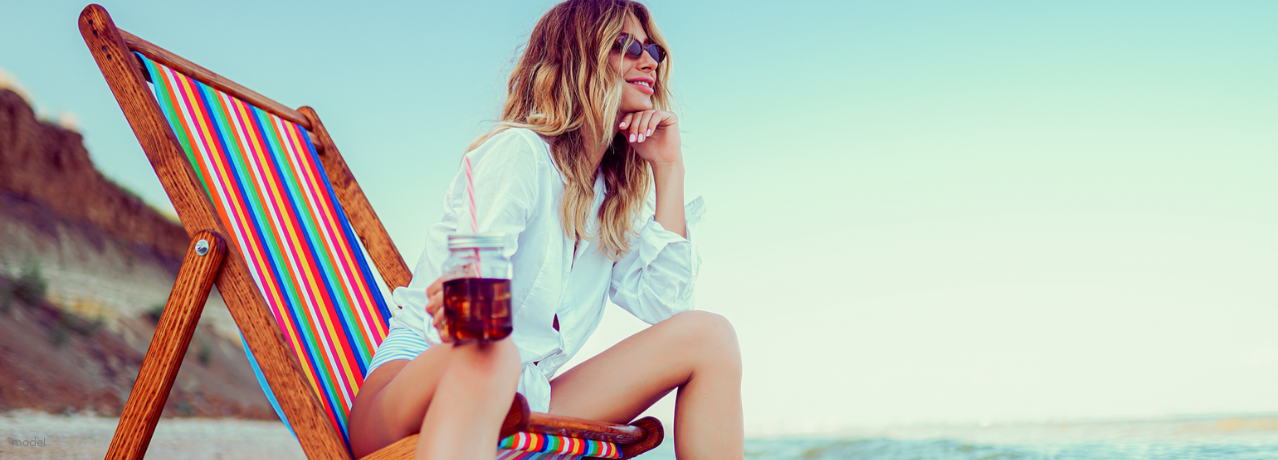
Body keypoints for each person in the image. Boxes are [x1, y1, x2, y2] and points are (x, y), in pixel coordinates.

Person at [347, 1, 743, 458]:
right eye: (627, 46)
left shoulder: (608, 199)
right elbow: (464, 318)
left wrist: (669, 168)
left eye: (653, 50)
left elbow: (668, 306)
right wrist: (474, 301)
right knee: (493, 353)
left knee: (709, 337)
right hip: (418, 389)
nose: (649, 61)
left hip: (523, 394)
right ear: (578, 58)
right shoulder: (518, 153)